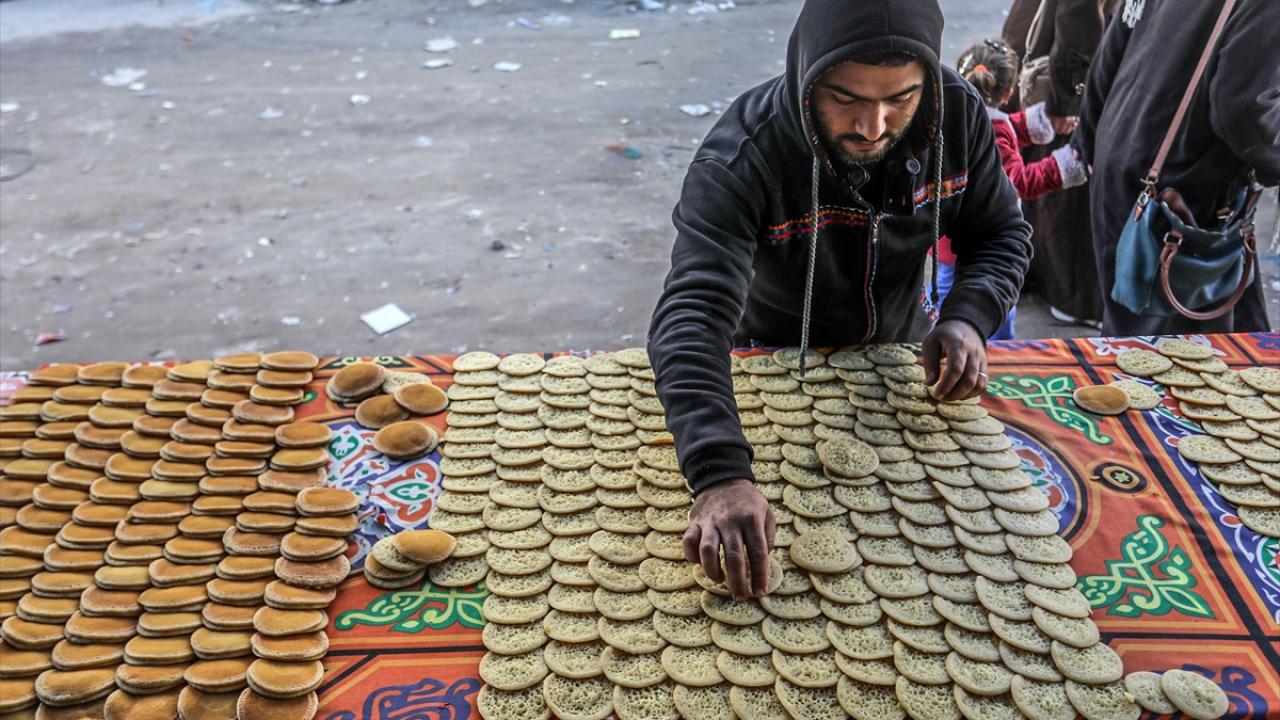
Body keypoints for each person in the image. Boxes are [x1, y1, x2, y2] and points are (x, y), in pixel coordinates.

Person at [646, 0, 1033, 600]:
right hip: (768, 363)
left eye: (900, 99)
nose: (873, 126)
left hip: (899, 370)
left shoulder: (956, 115)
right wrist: (719, 473)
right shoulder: (744, 155)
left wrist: (968, 318)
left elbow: (1002, 233)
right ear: (807, 77)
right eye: (845, 98)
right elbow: (691, 315)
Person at [1072, 0, 1278, 335]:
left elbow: (1115, 40)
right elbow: (1244, 112)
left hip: (1126, 154)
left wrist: (1091, 135)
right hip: (1178, 191)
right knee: (1160, 345)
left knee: (1143, 330)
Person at [936, 39, 1092, 341]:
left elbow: (1008, 127)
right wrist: (1062, 167)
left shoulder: (957, 120)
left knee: (942, 306)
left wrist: (1037, 123)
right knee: (988, 313)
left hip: (944, 245)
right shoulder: (994, 132)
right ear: (1008, 93)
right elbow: (1017, 181)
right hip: (979, 250)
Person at [1003, 0, 1113, 330]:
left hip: (1050, 45)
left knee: (1040, 160)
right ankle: (1071, 296)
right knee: (1065, 183)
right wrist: (1070, 95)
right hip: (1064, 55)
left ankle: (1033, 272)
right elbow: (1080, 10)